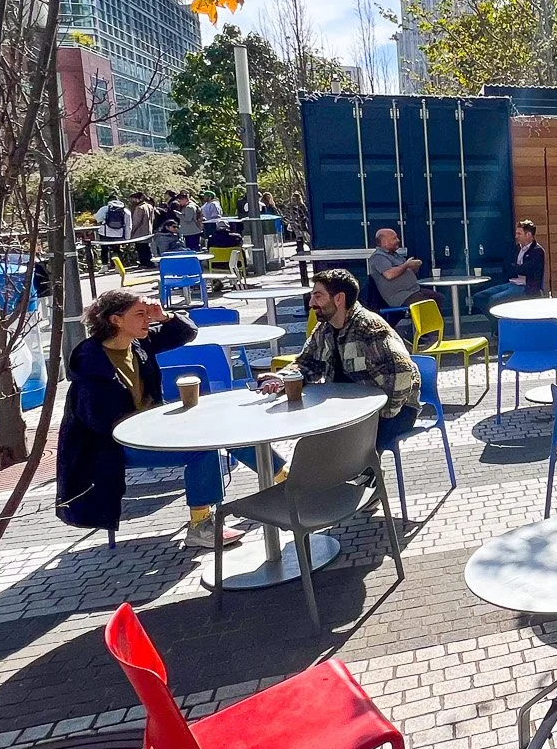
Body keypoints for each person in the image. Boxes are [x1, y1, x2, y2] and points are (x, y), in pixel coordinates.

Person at [56, 290, 261, 549]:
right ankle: (201, 526)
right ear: (116, 320)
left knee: (227, 430)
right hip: (115, 445)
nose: (147, 320)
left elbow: (186, 332)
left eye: (147, 314)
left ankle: (284, 479)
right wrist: (161, 427)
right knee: (202, 450)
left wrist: (163, 316)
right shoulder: (91, 364)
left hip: (154, 429)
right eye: (140, 314)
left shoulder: (138, 343)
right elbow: (99, 422)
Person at [257, 270, 421, 451]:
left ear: (339, 299)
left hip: (395, 412)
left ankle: (364, 467)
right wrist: (282, 378)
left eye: (318, 296)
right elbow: (306, 362)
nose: (311, 303)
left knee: (337, 447)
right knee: (314, 441)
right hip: (349, 409)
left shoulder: (369, 328)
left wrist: (382, 414)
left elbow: (403, 370)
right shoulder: (324, 329)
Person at [476, 220, 547, 311]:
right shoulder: (517, 248)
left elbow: (525, 270)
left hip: (526, 287)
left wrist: (514, 268)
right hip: (512, 283)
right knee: (479, 297)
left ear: (528, 235)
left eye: (519, 234)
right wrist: (515, 268)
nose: (516, 236)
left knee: (494, 300)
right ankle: (494, 319)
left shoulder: (537, 251)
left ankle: (500, 319)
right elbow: (507, 264)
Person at [366, 227, 433, 321]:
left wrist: (414, 267)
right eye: (394, 238)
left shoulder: (395, 255)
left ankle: (436, 326)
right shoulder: (378, 257)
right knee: (426, 304)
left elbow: (404, 271)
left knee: (438, 298)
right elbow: (389, 275)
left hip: (413, 291)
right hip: (399, 296)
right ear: (384, 242)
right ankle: (427, 329)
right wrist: (407, 265)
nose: (398, 240)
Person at [125, 191, 156, 266]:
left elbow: (136, 222)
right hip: (148, 231)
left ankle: (144, 263)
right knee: (147, 247)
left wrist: (131, 232)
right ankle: (148, 262)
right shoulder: (150, 206)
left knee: (141, 248)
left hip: (139, 232)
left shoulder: (139, 208)